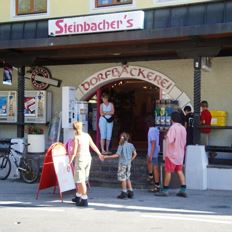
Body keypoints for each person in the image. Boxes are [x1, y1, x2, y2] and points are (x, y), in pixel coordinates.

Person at [69, 121, 103, 207]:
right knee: (82, 179)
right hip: (88, 158)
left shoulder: (76, 138)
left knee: (80, 181)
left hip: (80, 159)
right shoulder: (86, 135)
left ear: (74, 129)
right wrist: (99, 154)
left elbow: (74, 152)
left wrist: (69, 162)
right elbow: (93, 145)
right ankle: (78, 196)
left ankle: (84, 200)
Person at [155, 111, 187, 197]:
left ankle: (165, 190)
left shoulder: (173, 128)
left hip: (172, 154)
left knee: (168, 171)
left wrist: (166, 136)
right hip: (180, 154)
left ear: (172, 119)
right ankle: (183, 189)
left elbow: (170, 141)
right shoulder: (183, 128)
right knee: (179, 170)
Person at [103, 132, 137, 199]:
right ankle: (131, 192)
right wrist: (130, 160)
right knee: (128, 178)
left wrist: (106, 157)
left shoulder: (121, 146)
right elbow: (135, 154)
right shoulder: (131, 145)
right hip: (128, 164)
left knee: (123, 179)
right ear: (128, 138)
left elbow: (117, 155)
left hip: (122, 164)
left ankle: (124, 192)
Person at [146, 115, 160, 192]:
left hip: (153, 152)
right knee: (148, 161)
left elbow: (153, 143)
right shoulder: (156, 129)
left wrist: (151, 155)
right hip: (153, 151)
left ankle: (157, 185)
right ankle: (150, 176)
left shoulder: (151, 131)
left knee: (155, 168)